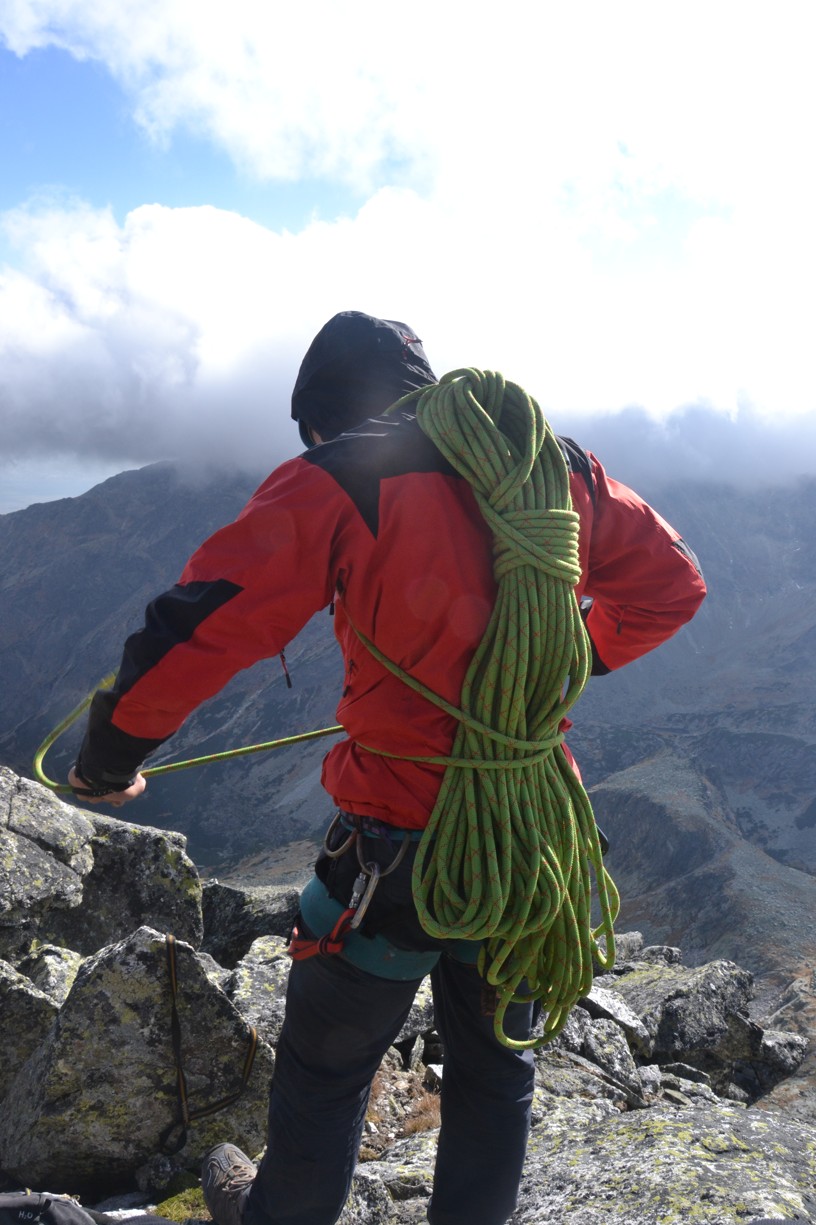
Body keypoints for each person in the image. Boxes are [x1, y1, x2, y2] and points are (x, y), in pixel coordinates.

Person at [68, 311, 706, 1225]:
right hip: (527, 839)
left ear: (322, 417)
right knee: (497, 1075)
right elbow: (673, 584)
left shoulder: (341, 474)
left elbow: (204, 621)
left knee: (326, 1074)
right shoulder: (550, 466)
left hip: (392, 845)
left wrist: (110, 756)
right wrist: (561, 664)